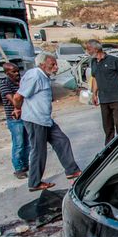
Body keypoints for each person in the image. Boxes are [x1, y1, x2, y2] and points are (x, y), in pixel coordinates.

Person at [12, 52, 80, 192]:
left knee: (62, 141)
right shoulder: (35, 75)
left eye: (56, 65)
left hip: (45, 119)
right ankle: (34, 182)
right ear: (42, 64)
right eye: (52, 65)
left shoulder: (43, 76)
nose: (56, 68)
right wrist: (17, 109)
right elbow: (18, 96)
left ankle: (71, 170)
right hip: (35, 119)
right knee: (38, 151)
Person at [86, 40, 118, 145]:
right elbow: (95, 79)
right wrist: (94, 94)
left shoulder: (114, 60)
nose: (87, 51)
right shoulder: (93, 62)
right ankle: (109, 149)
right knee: (107, 127)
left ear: (96, 49)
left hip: (117, 99)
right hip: (104, 99)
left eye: (89, 49)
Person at [0, 63, 29, 179]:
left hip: (25, 116)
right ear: (7, 73)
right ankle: (18, 168)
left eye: (17, 71)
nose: (17, 74)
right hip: (15, 119)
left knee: (28, 143)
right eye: (14, 72)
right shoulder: (4, 84)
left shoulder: (21, 81)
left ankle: (25, 164)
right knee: (19, 144)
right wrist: (19, 106)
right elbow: (14, 100)